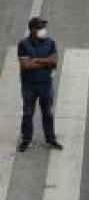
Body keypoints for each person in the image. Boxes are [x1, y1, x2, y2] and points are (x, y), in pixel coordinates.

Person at [17, 16, 63, 152]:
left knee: (48, 113)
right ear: (32, 30)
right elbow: (25, 65)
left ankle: (51, 139)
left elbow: (54, 61)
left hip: (46, 85)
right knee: (28, 113)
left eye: (43, 27)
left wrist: (36, 60)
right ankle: (26, 139)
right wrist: (45, 61)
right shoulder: (23, 44)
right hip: (29, 86)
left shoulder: (50, 43)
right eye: (40, 27)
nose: (43, 30)